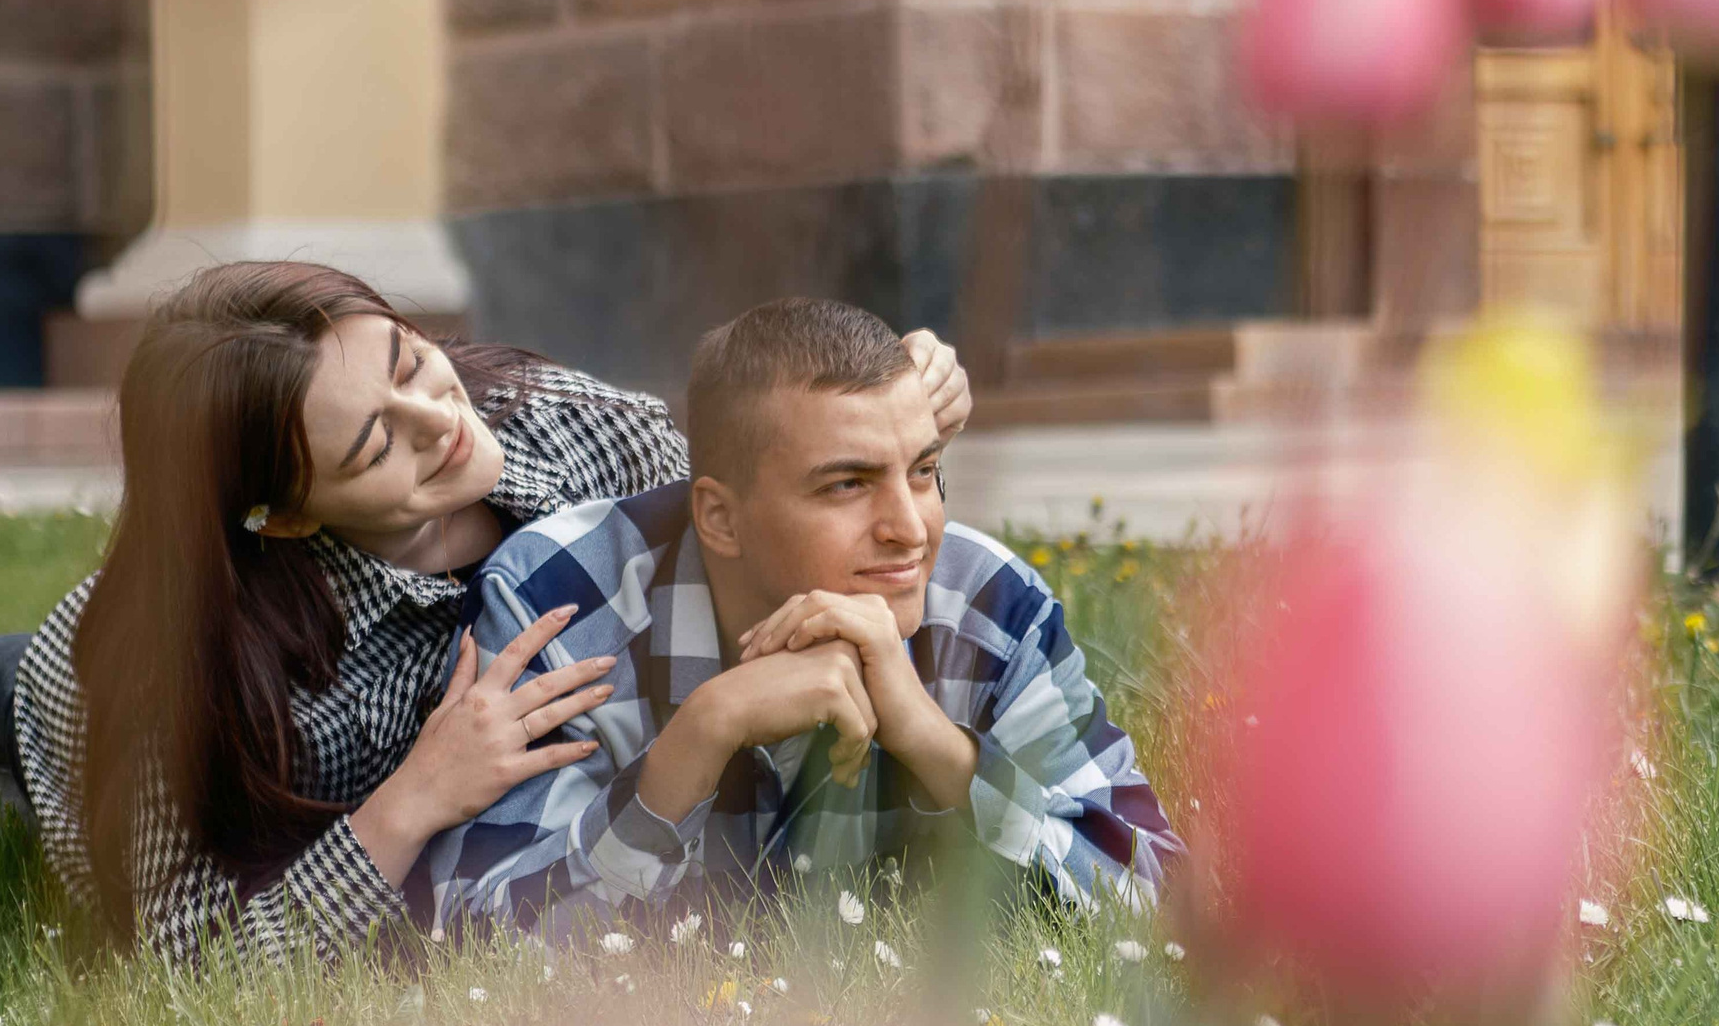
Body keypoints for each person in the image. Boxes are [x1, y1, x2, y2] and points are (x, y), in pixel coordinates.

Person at [0, 263, 974, 963]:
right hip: (94, 701)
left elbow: (771, 488)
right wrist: (413, 795)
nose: (440, 420)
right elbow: (186, 956)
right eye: (376, 444)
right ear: (279, 515)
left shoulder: (577, 431)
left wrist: (899, 418)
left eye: (412, 362)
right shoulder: (177, 669)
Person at [417, 297, 1179, 933]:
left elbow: (1157, 904)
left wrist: (932, 742)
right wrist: (699, 738)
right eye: (847, 485)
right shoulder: (562, 601)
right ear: (719, 517)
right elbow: (475, 939)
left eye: (922, 472)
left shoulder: (983, 601)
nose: (910, 529)